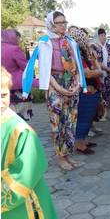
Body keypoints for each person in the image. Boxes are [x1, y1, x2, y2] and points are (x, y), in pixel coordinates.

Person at [1, 66, 85, 219]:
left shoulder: (20, 130)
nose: (1, 101)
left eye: (4, 95)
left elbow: (25, 173)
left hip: (25, 208)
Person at [22, 11, 87, 171]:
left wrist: (77, 83)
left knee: (70, 123)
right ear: (51, 24)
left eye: (64, 22)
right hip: (55, 85)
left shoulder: (70, 41)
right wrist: (59, 88)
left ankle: (68, 155)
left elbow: (77, 64)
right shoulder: (44, 42)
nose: (63, 25)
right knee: (57, 124)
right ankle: (60, 157)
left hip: (71, 83)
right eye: (59, 22)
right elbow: (44, 69)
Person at [70, 27, 103, 155]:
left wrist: (96, 65)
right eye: (84, 37)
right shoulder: (75, 54)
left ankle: (83, 140)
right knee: (83, 118)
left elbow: (95, 66)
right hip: (85, 90)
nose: (87, 39)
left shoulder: (85, 52)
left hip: (93, 89)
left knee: (88, 118)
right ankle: (79, 144)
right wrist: (99, 72)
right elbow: (87, 73)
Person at [1, 29, 38, 120]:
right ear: (13, 37)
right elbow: (25, 68)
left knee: (5, 118)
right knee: (20, 118)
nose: (19, 40)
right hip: (18, 87)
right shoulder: (14, 49)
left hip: (3, 86)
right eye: (18, 38)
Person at [92, 28, 110, 120]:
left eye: (104, 35)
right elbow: (97, 62)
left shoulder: (108, 46)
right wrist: (108, 69)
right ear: (97, 36)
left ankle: (108, 113)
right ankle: (102, 114)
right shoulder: (94, 47)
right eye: (101, 35)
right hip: (101, 74)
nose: (103, 37)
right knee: (102, 95)